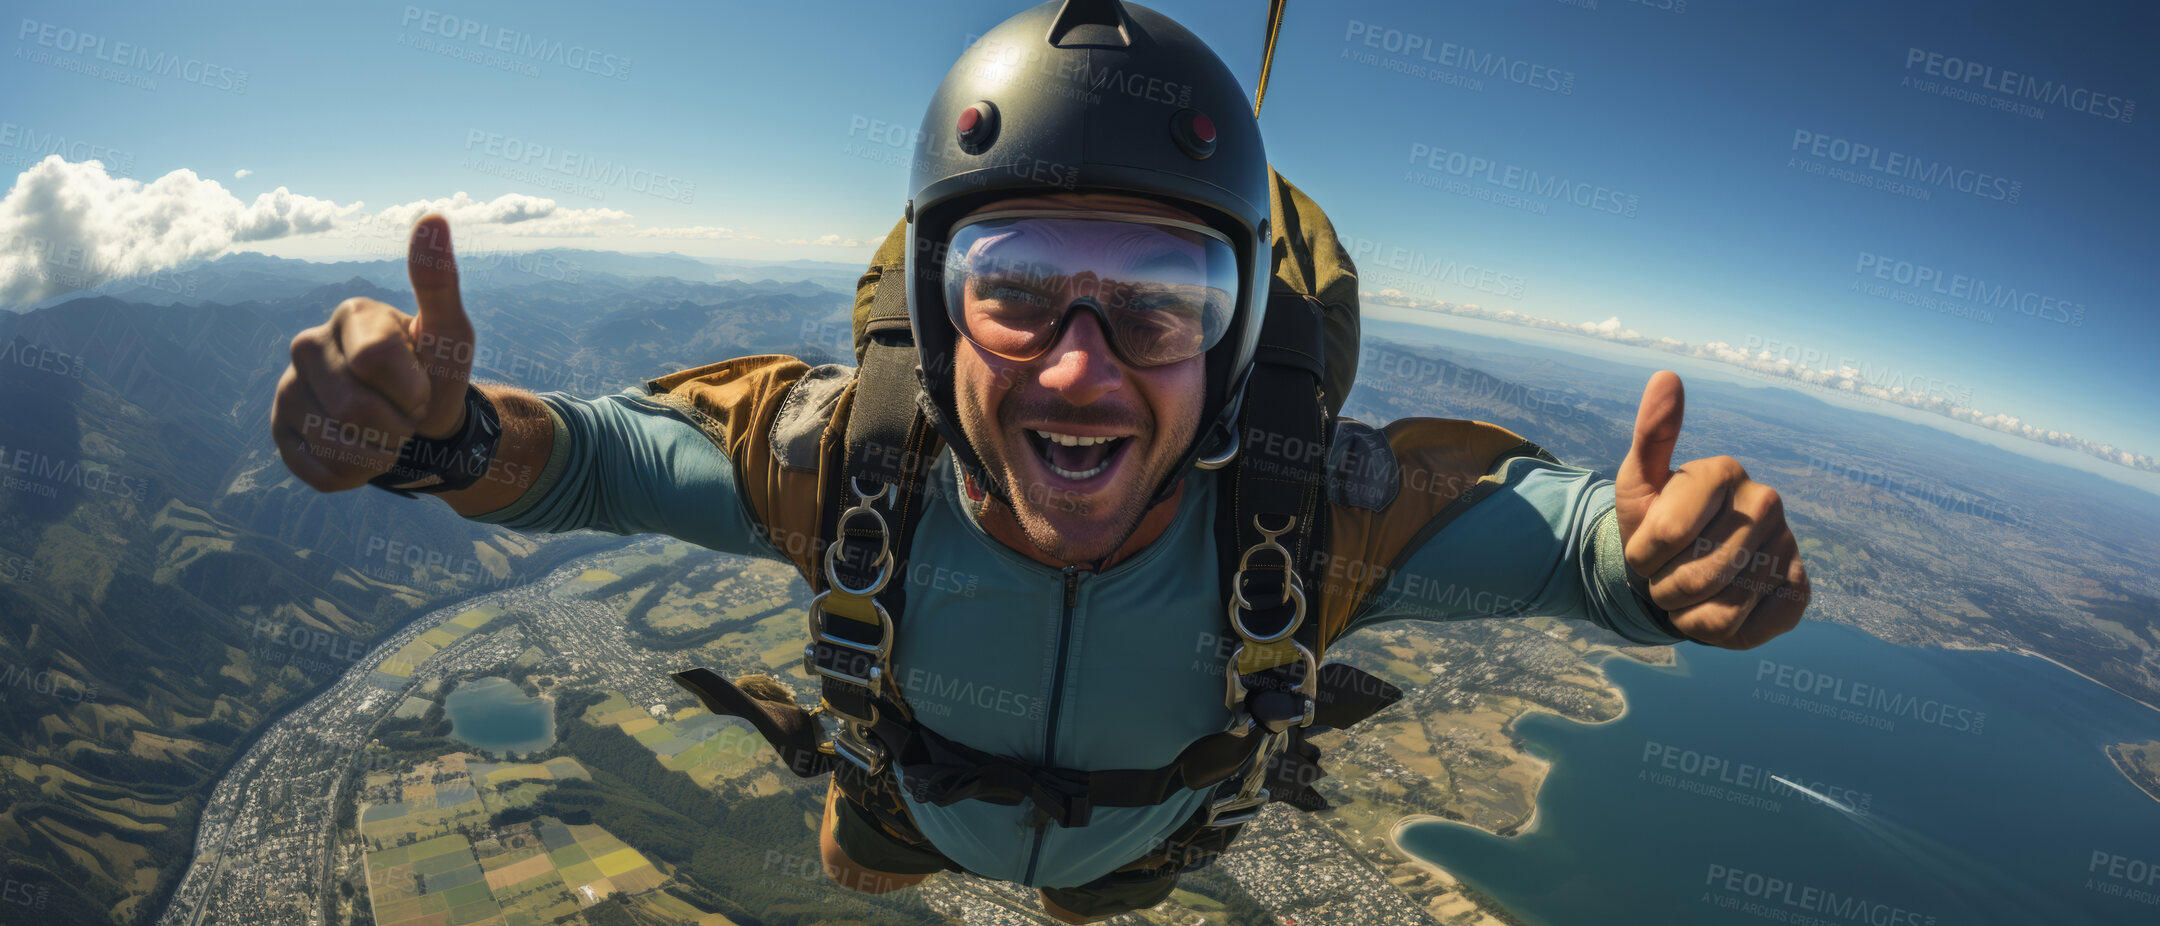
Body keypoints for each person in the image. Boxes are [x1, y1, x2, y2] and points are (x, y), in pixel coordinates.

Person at [270, 1, 1809, 921]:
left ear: (1235, 342)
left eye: (1161, 300)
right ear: (935, 320)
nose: (1081, 361)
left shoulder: (1299, 517)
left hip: (1134, 846)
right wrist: (439, 438)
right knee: (887, 850)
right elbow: (601, 458)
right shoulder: (850, 464)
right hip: (912, 805)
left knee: (1086, 891)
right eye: (1014, 285)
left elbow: (1554, 540)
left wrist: (1661, 562)